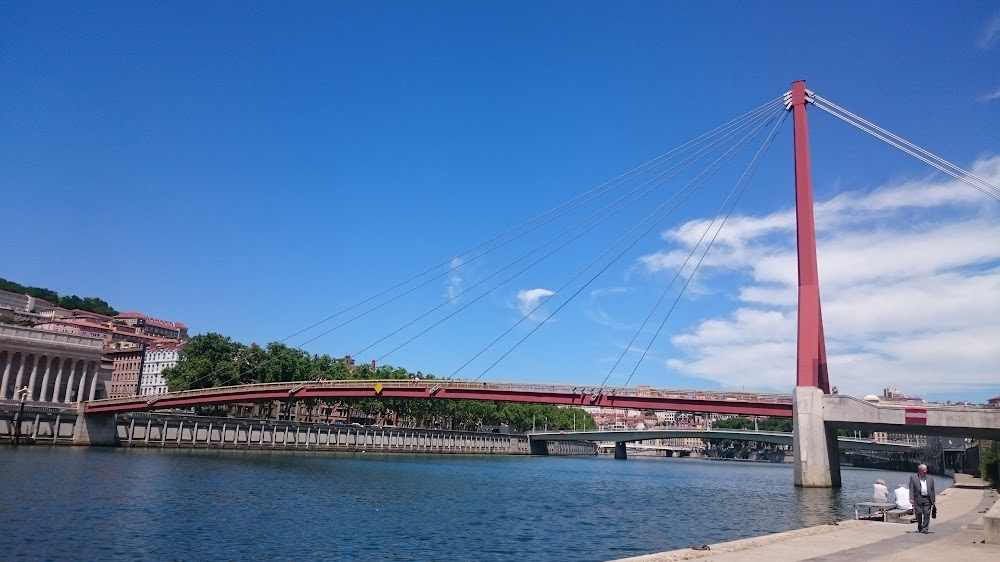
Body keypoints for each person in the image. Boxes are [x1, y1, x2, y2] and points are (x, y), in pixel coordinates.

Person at [908, 464, 936, 533]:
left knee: (927, 513)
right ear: (919, 470)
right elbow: (911, 488)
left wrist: (933, 500)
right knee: (919, 512)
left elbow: (932, 490)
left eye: (926, 470)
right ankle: (920, 524)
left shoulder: (930, 478)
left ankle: (925, 528)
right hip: (918, 498)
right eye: (923, 470)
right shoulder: (913, 478)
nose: (925, 471)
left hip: (927, 498)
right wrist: (911, 498)